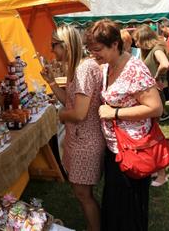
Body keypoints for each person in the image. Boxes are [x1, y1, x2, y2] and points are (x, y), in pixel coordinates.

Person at [84, 19, 163, 231]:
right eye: (91, 50)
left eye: (98, 49)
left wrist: (115, 113)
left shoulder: (134, 69)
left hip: (134, 151)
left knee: (130, 210)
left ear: (115, 45)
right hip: (117, 150)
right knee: (116, 206)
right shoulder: (108, 66)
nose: (94, 54)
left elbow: (156, 107)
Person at [41, 24, 105, 231]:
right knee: (83, 193)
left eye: (53, 45)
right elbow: (69, 102)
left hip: (85, 140)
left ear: (66, 45)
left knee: (83, 194)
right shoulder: (79, 67)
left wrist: (58, 116)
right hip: (81, 138)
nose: (51, 51)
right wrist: (51, 82)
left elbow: (78, 113)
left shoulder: (83, 69)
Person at [133, 24, 169, 187]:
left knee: (154, 136)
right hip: (153, 95)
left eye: (136, 40)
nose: (136, 44)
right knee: (152, 133)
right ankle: (157, 169)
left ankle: (162, 173)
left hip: (155, 96)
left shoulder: (156, 49)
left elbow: (164, 64)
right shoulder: (153, 49)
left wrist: (155, 79)